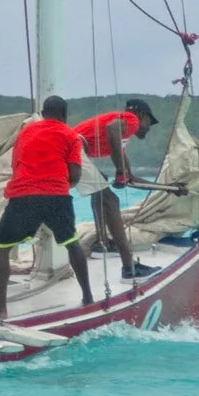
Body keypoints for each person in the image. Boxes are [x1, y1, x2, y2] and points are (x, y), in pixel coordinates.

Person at [0, 95, 93, 319]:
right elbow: (74, 174)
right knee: (72, 242)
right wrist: (62, 184)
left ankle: (0, 306)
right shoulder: (70, 136)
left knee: (1, 246)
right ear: (64, 115)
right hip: (56, 196)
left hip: (23, 196)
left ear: (43, 114)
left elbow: (17, 166)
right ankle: (88, 298)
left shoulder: (25, 133)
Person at [73, 98, 158, 283]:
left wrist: (168, 189)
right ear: (141, 115)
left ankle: (102, 244)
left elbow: (131, 177)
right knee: (111, 201)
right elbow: (112, 129)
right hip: (73, 147)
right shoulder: (130, 120)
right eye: (149, 122)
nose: (148, 128)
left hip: (71, 149)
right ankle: (129, 269)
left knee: (100, 188)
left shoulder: (120, 140)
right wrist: (120, 172)